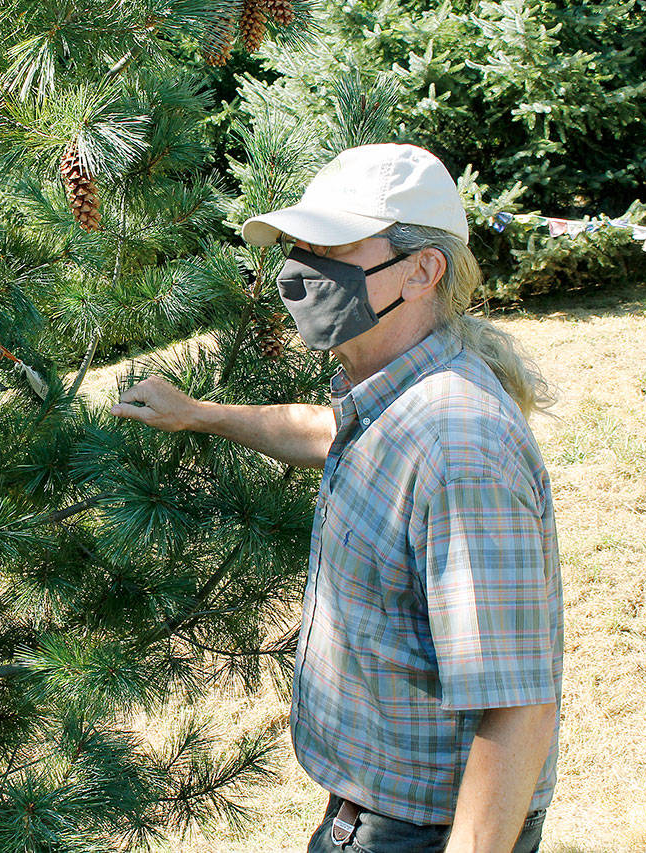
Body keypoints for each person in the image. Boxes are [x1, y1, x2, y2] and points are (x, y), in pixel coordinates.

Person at [110, 143, 562, 853]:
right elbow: (331, 433)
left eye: (330, 247)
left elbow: (518, 708)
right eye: (296, 245)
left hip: (422, 834)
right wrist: (201, 412)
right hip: (375, 816)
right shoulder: (395, 399)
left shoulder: (459, 446)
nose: (298, 271)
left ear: (421, 270)